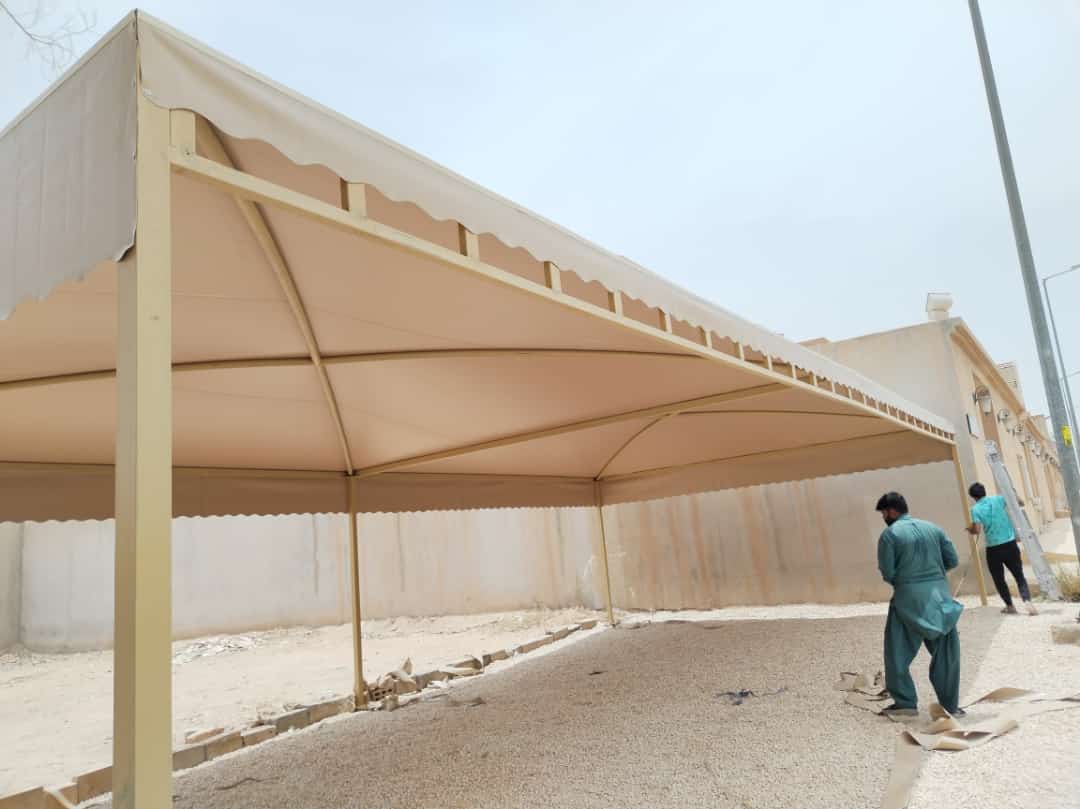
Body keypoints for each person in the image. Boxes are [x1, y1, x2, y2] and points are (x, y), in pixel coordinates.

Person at [876, 491, 965, 717]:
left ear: (891, 511)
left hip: (907, 600)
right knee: (947, 654)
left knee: (897, 653)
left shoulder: (889, 535)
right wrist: (933, 576)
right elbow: (952, 560)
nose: (883, 518)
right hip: (940, 598)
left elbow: (888, 572)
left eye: (883, 513)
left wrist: (908, 581)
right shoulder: (934, 528)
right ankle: (950, 707)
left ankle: (905, 704)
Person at [966, 482, 1037, 615]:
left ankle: (1010, 606)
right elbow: (1020, 503)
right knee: (1019, 575)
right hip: (1010, 544)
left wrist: (970, 529)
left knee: (999, 579)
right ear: (984, 491)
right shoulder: (998, 499)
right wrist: (1013, 493)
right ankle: (1027, 601)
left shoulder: (975, 509)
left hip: (993, 549)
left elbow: (977, 530)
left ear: (973, 497)